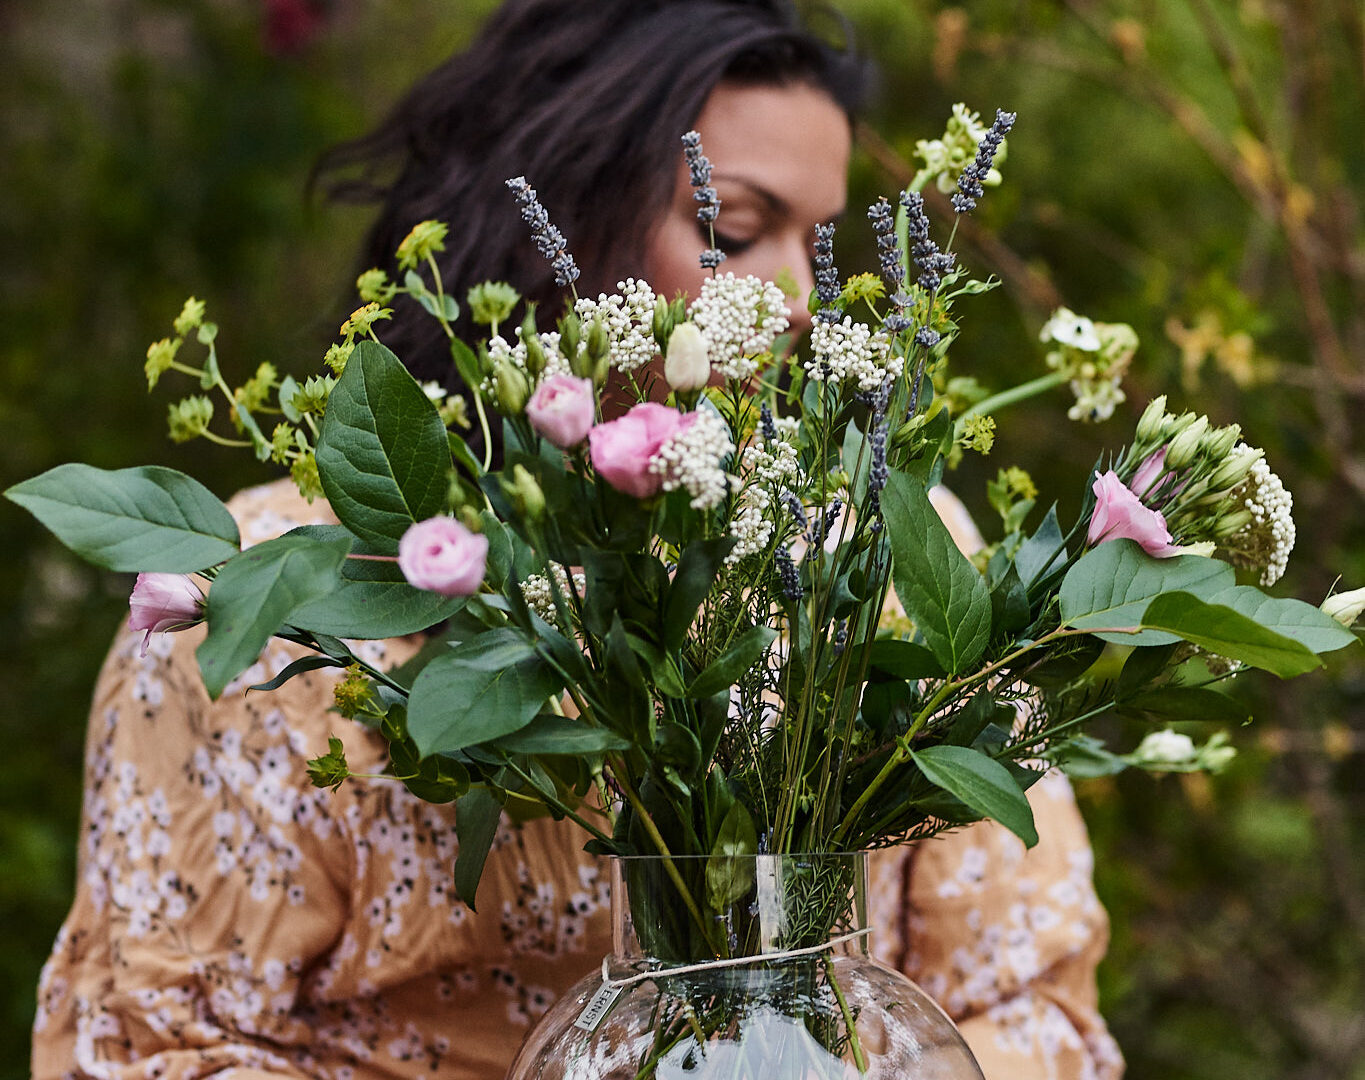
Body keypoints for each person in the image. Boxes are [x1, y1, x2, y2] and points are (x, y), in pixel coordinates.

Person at [32, 2, 1123, 1077]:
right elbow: (157, 1048)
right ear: (559, 212)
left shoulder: (877, 546)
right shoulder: (272, 595)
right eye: (737, 230)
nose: (803, 300)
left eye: (822, 243)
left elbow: (1034, 1011)